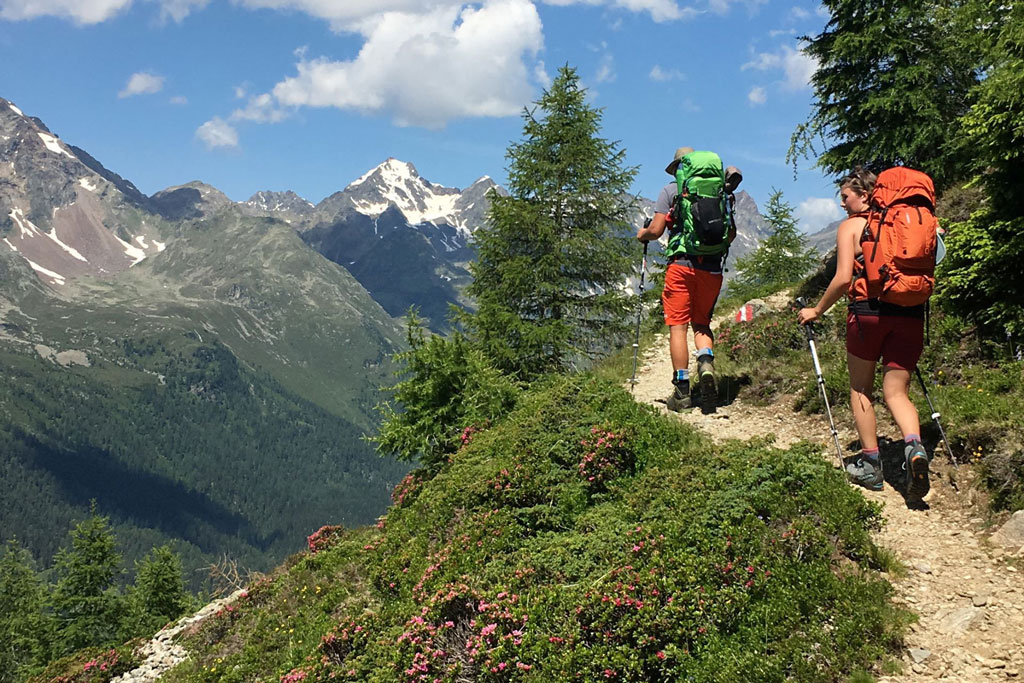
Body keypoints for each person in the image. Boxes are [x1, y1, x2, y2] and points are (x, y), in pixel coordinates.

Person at [797, 168, 931, 499]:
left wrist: (816, 309)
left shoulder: (853, 228)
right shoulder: (913, 223)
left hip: (867, 315)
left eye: (845, 197)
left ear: (865, 195)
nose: (842, 204)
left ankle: (871, 466)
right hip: (911, 314)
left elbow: (844, 278)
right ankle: (914, 447)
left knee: (860, 388)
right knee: (897, 392)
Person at [636, 147, 742, 414]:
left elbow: (657, 230)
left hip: (681, 266)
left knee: (678, 326)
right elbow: (730, 235)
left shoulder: (670, 191)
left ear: (677, 168)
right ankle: (705, 365)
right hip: (712, 268)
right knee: (702, 323)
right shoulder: (719, 191)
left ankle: (682, 391)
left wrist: (643, 234)